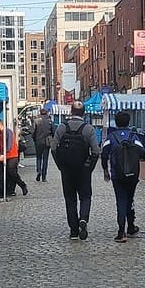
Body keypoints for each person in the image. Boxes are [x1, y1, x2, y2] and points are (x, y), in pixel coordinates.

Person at [51, 101, 99, 240]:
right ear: (84, 113)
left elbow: (53, 148)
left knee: (70, 199)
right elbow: (96, 151)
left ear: (71, 112)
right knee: (85, 196)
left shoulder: (62, 127)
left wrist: (60, 164)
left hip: (66, 169)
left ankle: (73, 230)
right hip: (83, 169)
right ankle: (83, 218)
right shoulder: (88, 129)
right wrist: (90, 167)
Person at [101, 111, 145, 243]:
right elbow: (142, 153)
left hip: (117, 174)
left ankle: (121, 231)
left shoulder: (111, 137)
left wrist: (105, 170)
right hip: (133, 175)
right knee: (130, 198)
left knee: (120, 200)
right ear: (128, 123)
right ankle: (131, 226)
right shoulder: (133, 136)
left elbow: (104, 154)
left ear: (116, 122)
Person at [0, 119, 28, 197]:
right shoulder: (0, 134)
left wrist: (3, 154)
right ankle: (9, 191)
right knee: (6, 174)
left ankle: (22, 185)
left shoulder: (8, 132)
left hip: (12, 156)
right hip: (6, 157)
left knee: (12, 172)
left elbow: (9, 144)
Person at [31, 108, 53, 182]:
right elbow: (53, 132)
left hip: (38, 141)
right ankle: (44, 176)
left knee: (39, 157)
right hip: (47, 142)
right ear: (46, 113)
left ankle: (39, 171)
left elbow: (33, 132)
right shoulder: (50, 121)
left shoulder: (37, 121)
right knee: (45, 159)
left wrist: (34, 139)